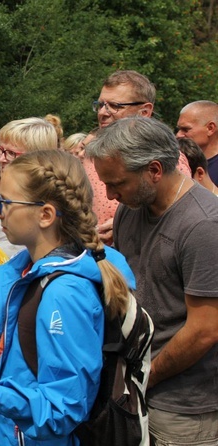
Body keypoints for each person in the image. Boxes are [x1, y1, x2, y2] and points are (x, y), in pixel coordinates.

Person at [0, 149, 137, 446]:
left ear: (45, 215)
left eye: (5, 203)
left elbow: (64, 408)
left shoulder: (63, 293)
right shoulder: (31, 272)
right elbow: (20, 348)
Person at [86, 117, 218, 446]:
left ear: (154, 170)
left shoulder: (204, 225)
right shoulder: (131, 209)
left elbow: (205, 329)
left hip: (185, 406)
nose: (110, 195)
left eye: (117, 183)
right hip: (135, 388)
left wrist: (146, 375)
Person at [85, 70, 191, 245]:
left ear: (145, 111)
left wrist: (125, 225)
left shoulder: (166, 158)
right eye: (101, 104)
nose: (103, 112)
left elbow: (180, 213)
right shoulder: (92, 154)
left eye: (115, 106)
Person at [176, 100, 218, 185]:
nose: (178, 135)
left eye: (185, 129)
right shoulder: (177, 160)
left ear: (210, 128)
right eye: (178, 129)